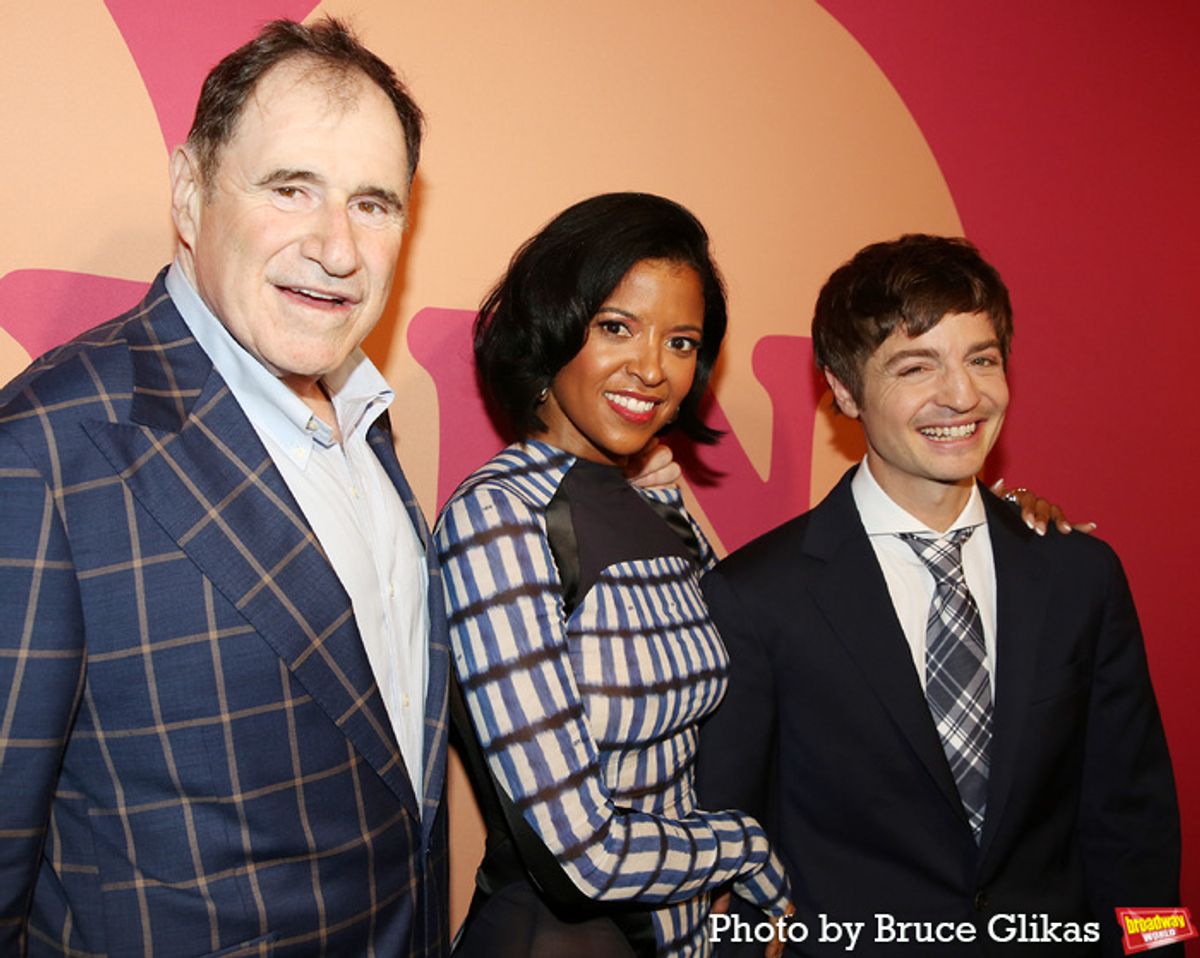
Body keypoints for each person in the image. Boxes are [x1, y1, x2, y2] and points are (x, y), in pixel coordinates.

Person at [0, 19, 450, 956]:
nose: (337, 249)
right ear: (190, 192)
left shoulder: (364, 419)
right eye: (292, 189)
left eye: (374, 204)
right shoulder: (49, 447)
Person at [696, 235, 1180, 956]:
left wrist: (1161, 951)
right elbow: (727, 858)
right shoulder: (759, 597)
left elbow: (1135, 828)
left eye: (982, 359)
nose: (962, 395)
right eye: (916, 366)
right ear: (844, 387)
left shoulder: (1080, 577)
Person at [434, 192, 794, 958]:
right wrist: (747, 847)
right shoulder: (500, 516)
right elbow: (580, 855)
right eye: (616, 327)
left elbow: (746, 668)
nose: (653, 369)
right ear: (553, 325)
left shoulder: (657, 503)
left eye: (683, 341)